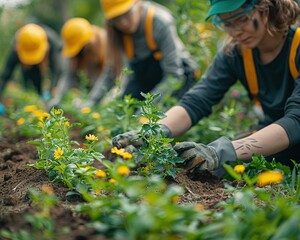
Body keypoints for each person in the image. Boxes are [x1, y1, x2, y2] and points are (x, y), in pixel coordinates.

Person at [112, 0, 300, 179]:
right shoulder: (236, 52)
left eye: (242, 20)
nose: (236, 32)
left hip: (292, 134)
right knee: (210, 171)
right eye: (227, 24)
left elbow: (296, 120)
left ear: (265, 9)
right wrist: (155, 130)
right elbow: (198, 99)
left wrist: (222, 150)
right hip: (272, 135)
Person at [76, 0, 199, 108]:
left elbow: (174, 75)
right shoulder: (116, 31)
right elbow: (111, 72)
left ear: (138, 3)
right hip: (146, 78)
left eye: (127, 14)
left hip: (178, 78)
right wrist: (91, 104)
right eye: (116, 19)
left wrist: (147, 110)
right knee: (122, 109)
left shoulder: (160, 21)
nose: (123, 23)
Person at [0, 23, 65, 114]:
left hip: (46, 56)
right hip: (27, 66)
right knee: (29, 81)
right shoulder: (20, 44)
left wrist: (52, 90)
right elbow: (5, 75)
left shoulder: (51, 41)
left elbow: (56, 71)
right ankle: (31, 101)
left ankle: (42, 99)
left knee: (42, 85)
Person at [47, 17, 108, 110]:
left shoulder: (104, 44)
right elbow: (68, 75)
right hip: (89, 92)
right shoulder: (74, 53)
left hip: (105, 91)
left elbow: (108, 77)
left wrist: (93, 101)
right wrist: (58, 98)